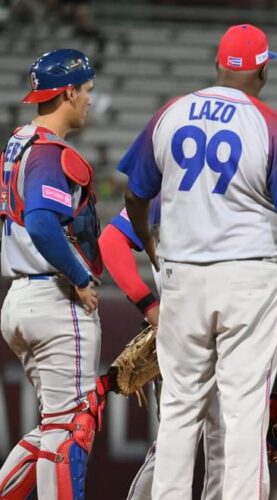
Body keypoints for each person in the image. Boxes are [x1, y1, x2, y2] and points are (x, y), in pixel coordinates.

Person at [117, 24, 277, 499]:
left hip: (182, 276)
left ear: (218, 65)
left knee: (178, 408)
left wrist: (151, 246)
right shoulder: (272, 125)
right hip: (248, 279)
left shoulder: (170, 114)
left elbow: (135, 195)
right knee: (241, 409)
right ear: (263, 68)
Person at [0, 48, 104, 499]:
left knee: (53, 427)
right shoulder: (48, 151)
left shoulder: (17, 141)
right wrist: (80, 278)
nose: (89, 101)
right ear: (67, 92)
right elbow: (43, 222)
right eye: (85, 91)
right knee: (72, 428)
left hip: (20, 297)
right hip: (53, 297)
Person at [97, 199, 227, 500]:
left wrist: (151, 308)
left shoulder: (178, 183)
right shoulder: (165, 188)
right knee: (185, 449)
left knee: (191, 448)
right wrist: (150, 307)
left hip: (210, 339)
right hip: (194, 337)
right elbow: (112, 242)